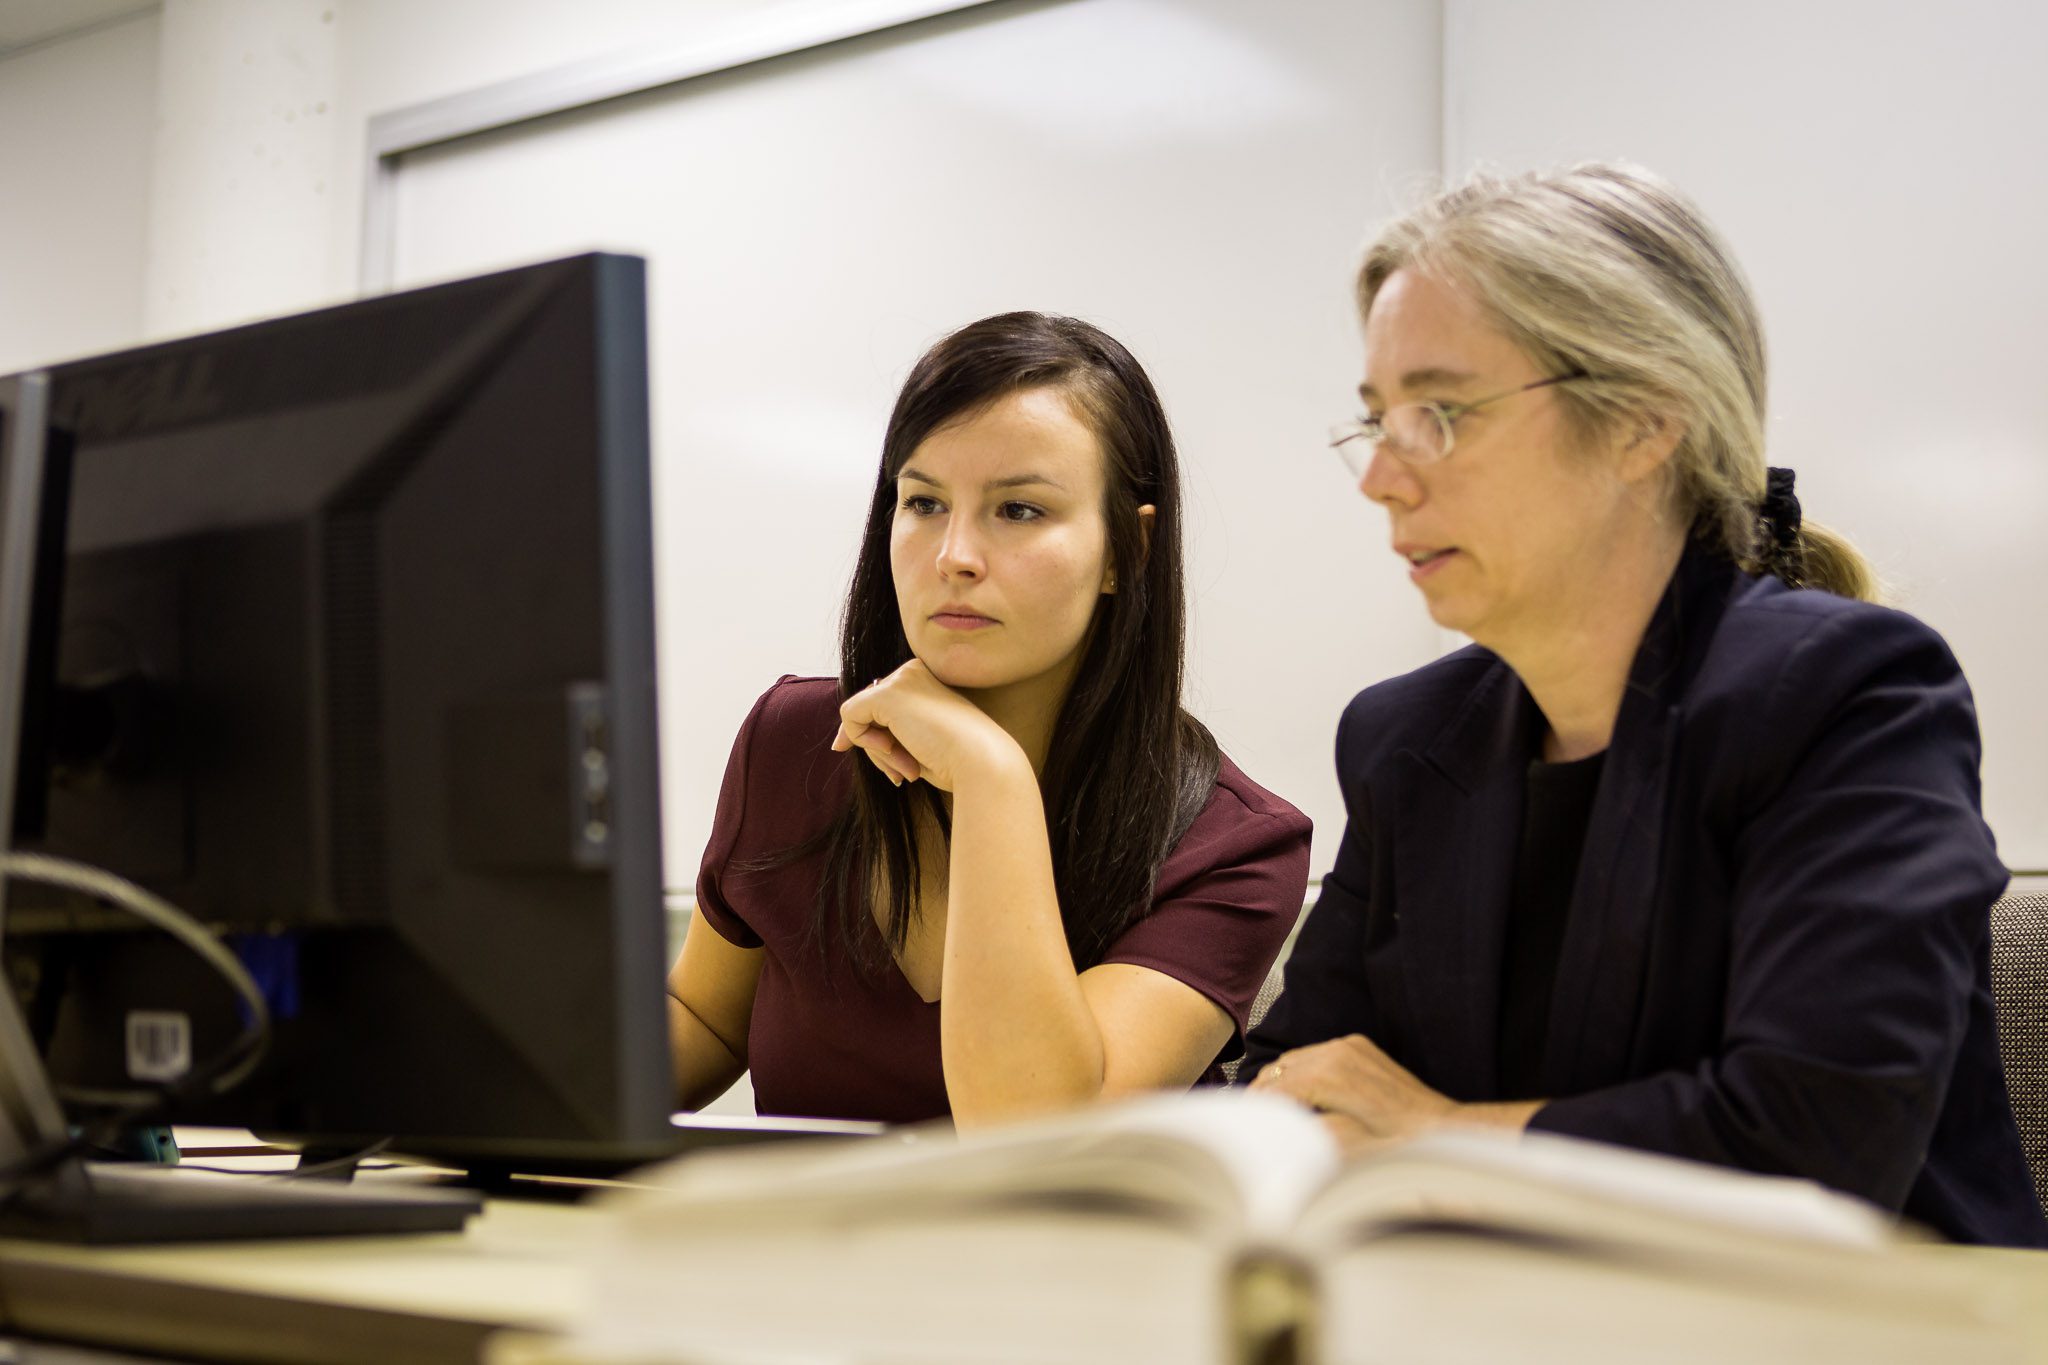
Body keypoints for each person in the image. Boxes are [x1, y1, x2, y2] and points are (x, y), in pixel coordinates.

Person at [1243, 164, 2048, 1247]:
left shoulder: (1852, 691)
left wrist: (1441, 1140)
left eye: (1437, 413)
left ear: (1639, 421)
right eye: (1374, 421)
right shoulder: (1401, 740)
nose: (1378, 478)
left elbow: (1817, 1143)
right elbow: (1294, 1084)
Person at [668, 312, 1311, 1128]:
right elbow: (701, 1020)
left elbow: (1031, 1132)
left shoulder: (1235, 846)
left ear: (1126, 551)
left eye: (1020, 511)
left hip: (1062, 1257)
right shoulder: (796, 739)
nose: (954, 555)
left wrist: (990, 778)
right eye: (924, 501)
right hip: (802, 1250)